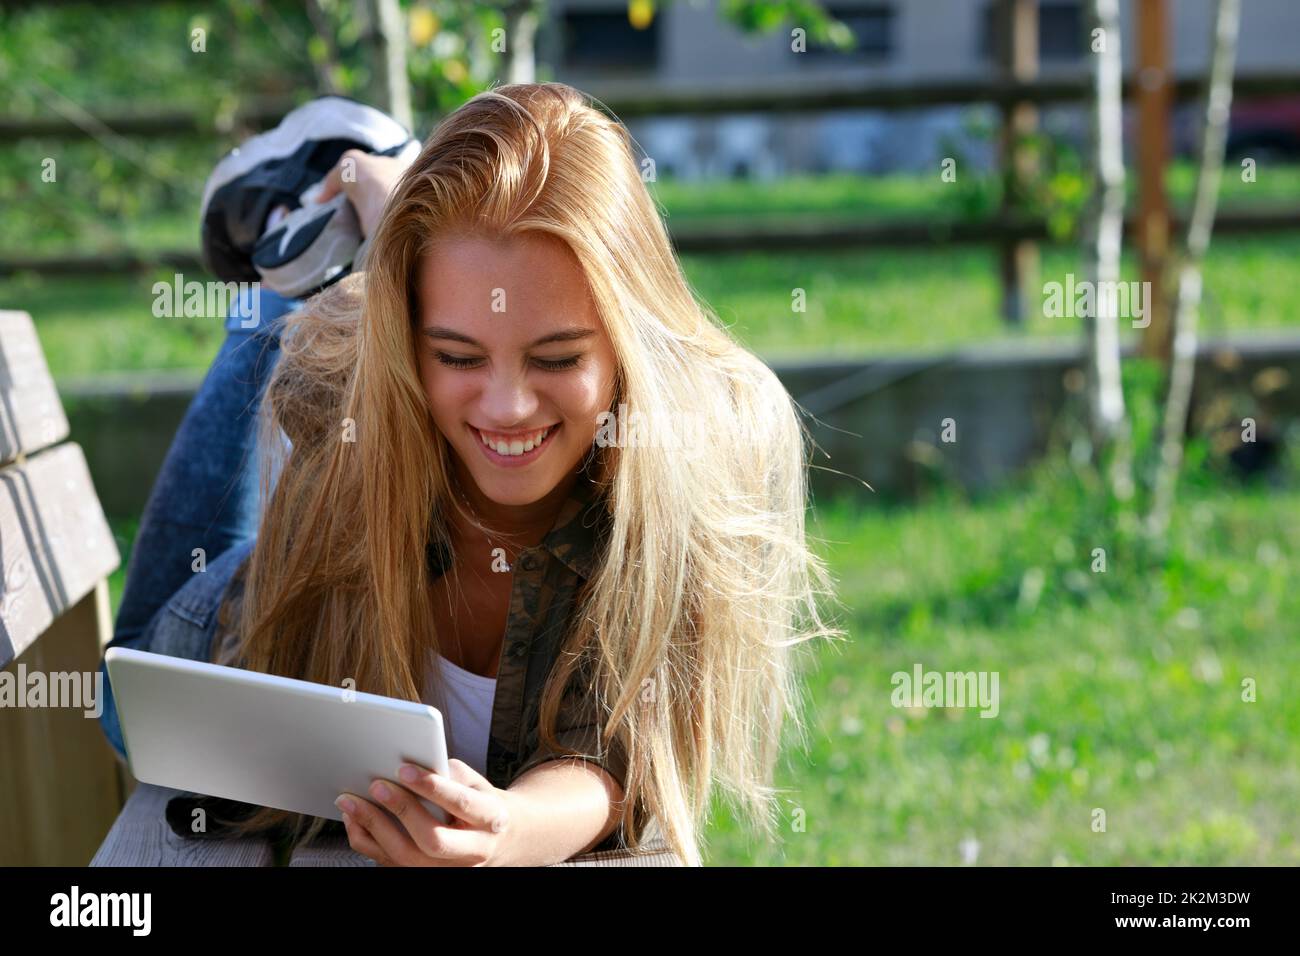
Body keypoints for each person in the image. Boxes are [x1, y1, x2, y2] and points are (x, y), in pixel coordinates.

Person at [98, 82, 841, 868]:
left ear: (629, 345)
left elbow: (623, 754)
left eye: (557, 358)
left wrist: (514, 829)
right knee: (123, 711)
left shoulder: (689, 472)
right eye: (457, 356)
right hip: (229, 627)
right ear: (411, 344)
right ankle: (300, 232)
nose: (509, 407)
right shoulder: (353, 380)